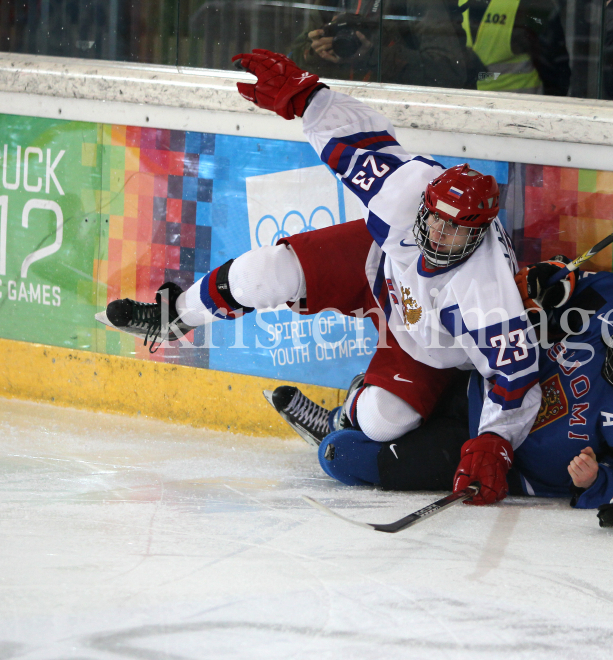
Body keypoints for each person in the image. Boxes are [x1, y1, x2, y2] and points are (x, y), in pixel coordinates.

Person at [97, 49, 542, 504]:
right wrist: (307, 96)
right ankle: (175, 316)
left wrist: (495, 444)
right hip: (376, 263)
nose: (438, 232)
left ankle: (343, 414)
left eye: (454, 230)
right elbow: (361, 140)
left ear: (477, 236)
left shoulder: (486, 294)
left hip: (423, 343)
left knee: (382, 420)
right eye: (435, 219)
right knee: (262, 272)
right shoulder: (405, 192)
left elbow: (517, 379)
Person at [272, 259, 613, 535]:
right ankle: (346, 413)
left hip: (501, 464)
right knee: (387, 412)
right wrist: (545, 281)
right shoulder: (611, 303)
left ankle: (338, 426)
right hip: (484, 392)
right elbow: (563, 276)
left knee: (340, 456)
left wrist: (595, 482)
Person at [289, 0, 472, 89]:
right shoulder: (330, 2)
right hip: (339, 115)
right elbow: (293, 62)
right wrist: (314, 53)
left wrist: (371, 55)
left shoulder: (417, 3)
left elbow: (449, 71)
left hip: (398, 122)